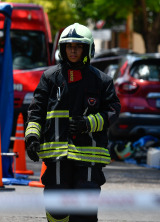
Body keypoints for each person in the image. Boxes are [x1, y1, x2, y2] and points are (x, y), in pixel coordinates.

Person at [25, 23, 121, 222]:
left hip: (88, 158)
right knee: (57, 211)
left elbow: (113, 110)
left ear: (87, 49)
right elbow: (36, 111)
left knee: (83, 213)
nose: (74, 50)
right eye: (69, 46)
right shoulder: (50, 78)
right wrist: (32, 137)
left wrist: (88, 123)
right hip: (56, 157)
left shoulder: (101, 81)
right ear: (63, 49)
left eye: (78, 46)